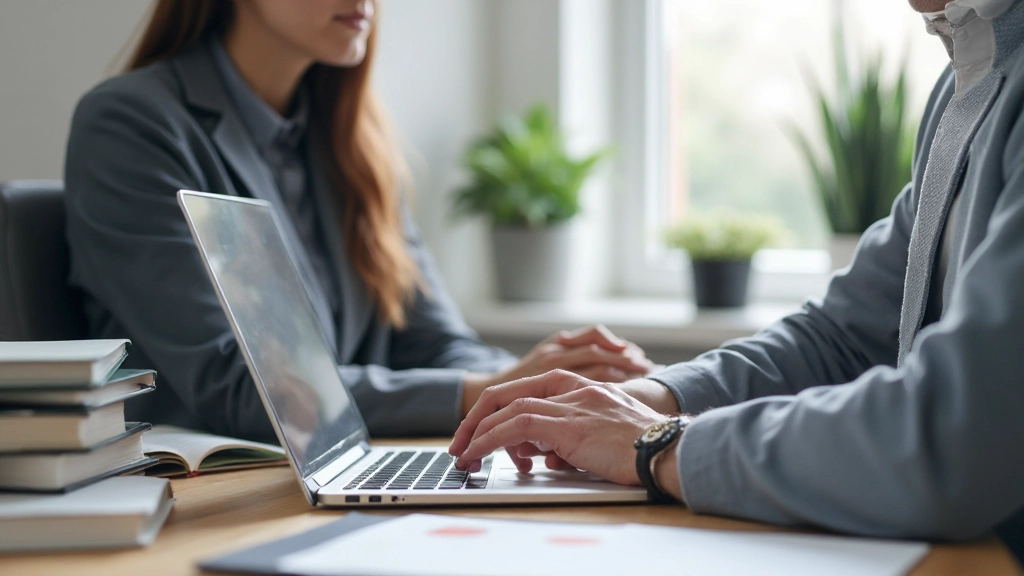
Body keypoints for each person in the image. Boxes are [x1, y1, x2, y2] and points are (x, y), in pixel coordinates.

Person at [450, 0, 1024, 562]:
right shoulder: (962, 81)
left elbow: (958, 438)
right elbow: (843, 337)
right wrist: (647, 399)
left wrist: (660, 444)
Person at [63, 0, 655, 443]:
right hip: (209, 492)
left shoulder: (349, 143)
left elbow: (433, 341)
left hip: (334, 470)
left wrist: (539, 383)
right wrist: (494, 393)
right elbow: (243, 389)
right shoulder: (133, 126)